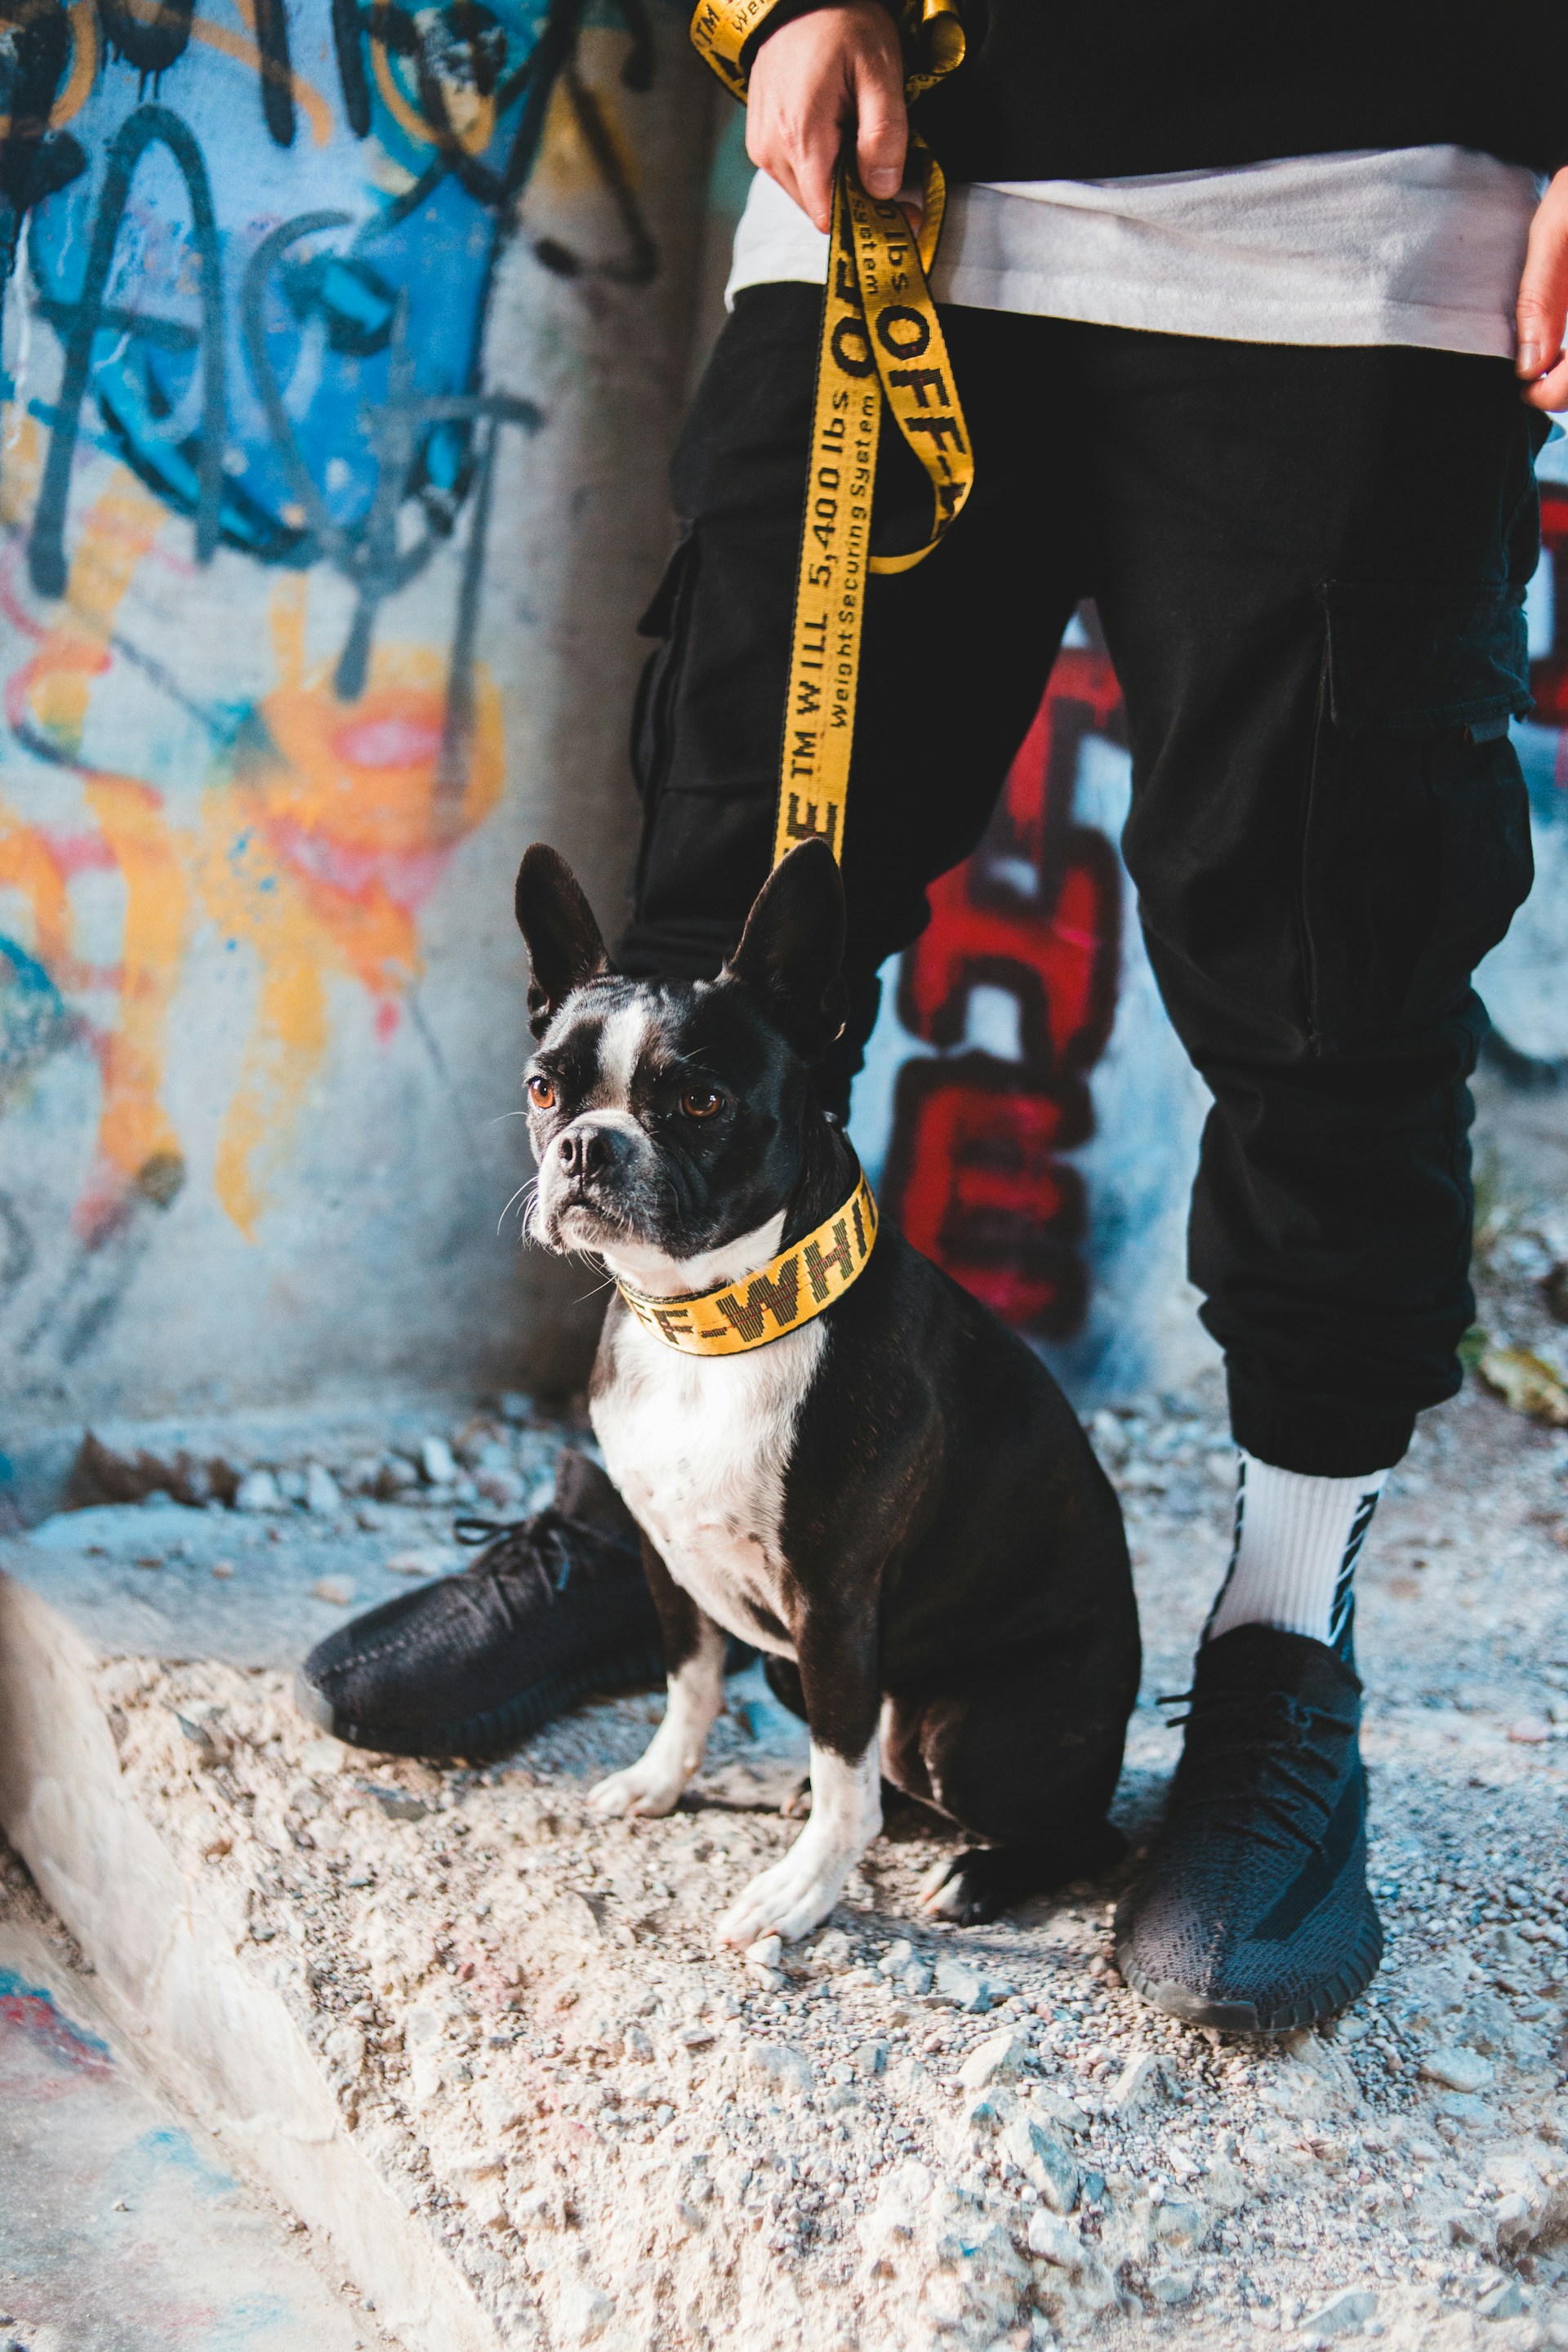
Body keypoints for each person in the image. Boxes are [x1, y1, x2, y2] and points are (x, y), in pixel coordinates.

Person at [301, 0, 1568, 2029]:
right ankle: (652, 1539)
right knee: (717, 926)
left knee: (1332, 984)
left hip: (1368, 232)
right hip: (899, 189)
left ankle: (1277, 1656)